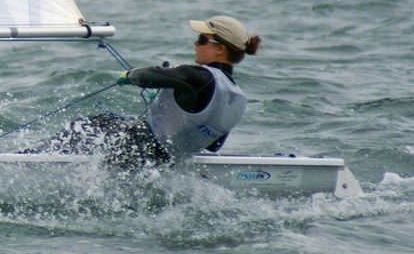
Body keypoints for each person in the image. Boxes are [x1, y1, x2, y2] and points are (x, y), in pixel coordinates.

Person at [39, 15, 261, 170]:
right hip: (165, 160)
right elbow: (213, 145)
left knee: (86, 126)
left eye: (202, 39)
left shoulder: (199, 75)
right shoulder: (238, 98)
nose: (196, 44)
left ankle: (31, 160)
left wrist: (129, 75)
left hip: (137, 146)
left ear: (219, 49)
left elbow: (148, 76)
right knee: (114, 123)